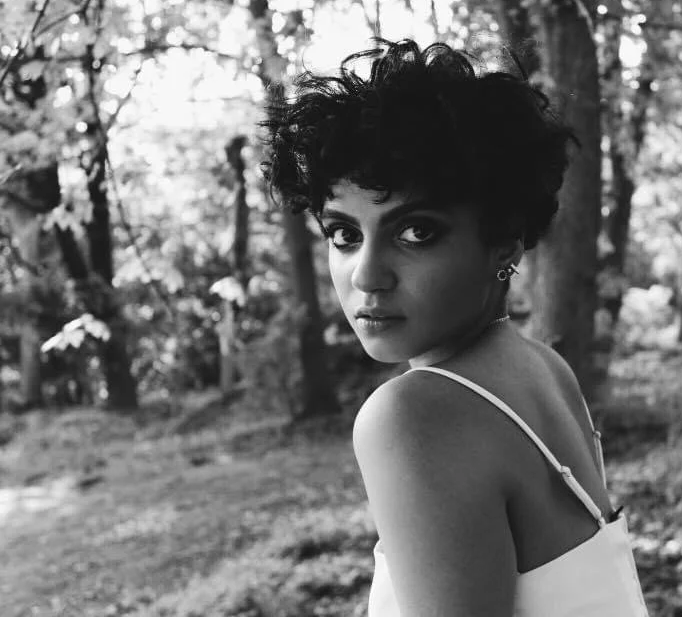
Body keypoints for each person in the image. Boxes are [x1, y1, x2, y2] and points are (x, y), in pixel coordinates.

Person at [262, 38, 649, 617]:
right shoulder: (544, 370)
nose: (367, 276)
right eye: (344, 233)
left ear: (504, 240)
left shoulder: (414, 416)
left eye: (415, 232)